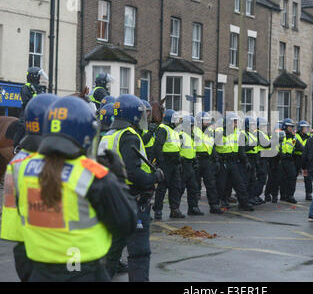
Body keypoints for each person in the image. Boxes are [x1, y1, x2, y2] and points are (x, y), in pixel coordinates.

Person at [2, 96, 137, 282]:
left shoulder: (22, 167)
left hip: (39, 269)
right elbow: (127, 222)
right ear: (85, 135)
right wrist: (119, 179)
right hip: (83, 270)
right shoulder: (91, 175)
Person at [99, 94, 164, 282]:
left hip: (112, 199)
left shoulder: (108, 135)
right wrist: (154, 177)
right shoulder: (129, 136)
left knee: (111, 254)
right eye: (141, 115)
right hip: (133, 202)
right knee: (139, 254)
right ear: (133, 116)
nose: (144, 118)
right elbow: (133, 175)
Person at [0, 94, 58, 282]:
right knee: (20, 125)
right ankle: (17, 144)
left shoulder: (17, 163)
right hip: (48, 244)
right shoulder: (57, 162)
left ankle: (19, 145)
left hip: (22, 242)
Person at [150, 109, 185, 220]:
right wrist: (160, 162)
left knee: (176, 187)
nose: (178, 121)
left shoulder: (175, 130)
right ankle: (158, 210)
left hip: (175, 163)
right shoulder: (163, 129)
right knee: (162, 188)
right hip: (166, 162)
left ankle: (174, 210)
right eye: (176, 119)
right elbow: (157, 146)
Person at [215, 113, 253, 211]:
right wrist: (216, 161)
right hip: (223, 161)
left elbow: (241, 149)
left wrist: (245, 161)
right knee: (222, 184)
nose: (235, 124)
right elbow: (213, 147)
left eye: (236, 121)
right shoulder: (219, 131)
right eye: (234, 121)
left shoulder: (239, 133)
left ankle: (244, 203)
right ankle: (222, 201)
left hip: (233, 161)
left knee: (239, 183)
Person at [193, 112, 223, 214]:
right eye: (205, 121)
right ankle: (194, 207)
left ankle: (214, 205)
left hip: (207, 160)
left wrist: (216, 159)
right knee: (195, 185)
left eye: (207, 120)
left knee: (211, 183)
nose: (207, 123)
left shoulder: (209, 131)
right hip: (196, 158)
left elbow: (212, 145)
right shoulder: (194, 130)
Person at [13, 67, 48, 148]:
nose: (40, 78)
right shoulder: (26, 87)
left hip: (39, 113)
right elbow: (26, 101)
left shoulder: (40, 88)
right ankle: (17, 145)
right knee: (22, 125)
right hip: (28, 111)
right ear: (34, 77)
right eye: (39, 76)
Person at [179, 115, 204, 216]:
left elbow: (192, 150)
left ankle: (193, 208)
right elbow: (177, 149)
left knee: (193, 187)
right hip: (183, 164)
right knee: (179, 188)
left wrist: (195, 160)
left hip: (190, 164)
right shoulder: (181, 135)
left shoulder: (191, 136)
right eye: (191, 126)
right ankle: (175, 209)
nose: (193, 128)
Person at [279, 119, 303, 204]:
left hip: (289, 160)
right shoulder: (280, 135)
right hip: (281, 160)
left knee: (292, 177)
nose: (291, 128)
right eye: (290, 126)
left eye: (292, 127)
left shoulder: (293, 137)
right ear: (285, 126)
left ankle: (290, 195)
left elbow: (300, 147)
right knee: (282, 178)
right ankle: (283, 195)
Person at [243, 117, 263, 206]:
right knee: (246, 180)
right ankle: (246, 198)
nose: (254, 126)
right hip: (247, 158)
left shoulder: (253, 134)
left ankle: (251, 197)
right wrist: (250, 146)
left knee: (252, 180)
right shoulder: (244, 134)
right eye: (252, 125)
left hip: (254, 158)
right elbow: (242, 148)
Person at [264, 123, 284, 203]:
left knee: (277, 179)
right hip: (270, 161)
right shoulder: (272, 138)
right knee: (271, 179)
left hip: (278, 161)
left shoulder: (282, 139)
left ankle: (275, 195)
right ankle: (267, 194)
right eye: (278, 130)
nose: (279, 131)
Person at [295, 121, 313, 201]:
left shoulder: (309, 137)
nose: (306, 129)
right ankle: (289, 194)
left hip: (305, 159)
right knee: (293, 176)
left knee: (307, 177)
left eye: (307, 127)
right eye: (305, 128)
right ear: (300, 128)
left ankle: (308, 194)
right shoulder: (295, 136)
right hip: (297, 157)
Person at [254, 117, 271, 201]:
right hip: (260, 159)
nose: (265, 127)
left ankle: (257, 195)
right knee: (261, 177)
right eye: (263, 126)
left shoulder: (263, 133)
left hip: (264, 158)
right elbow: (266, 144)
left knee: (262, 178)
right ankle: (255, 195)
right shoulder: (259, 133)